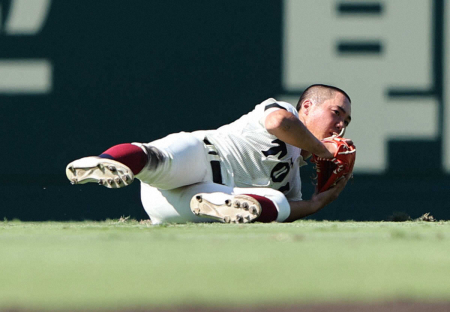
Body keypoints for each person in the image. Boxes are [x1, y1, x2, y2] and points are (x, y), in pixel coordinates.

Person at [66, 84, 352, 224]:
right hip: (202, 155)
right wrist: (320, 149)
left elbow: (286, 210)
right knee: (158, 158)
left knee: (275, 200)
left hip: (175, 204)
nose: (340, 125)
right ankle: (107, 162)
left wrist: (315, 204)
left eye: (346, 122)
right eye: (336, 113)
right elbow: (278, 124)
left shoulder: (293, 180)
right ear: (307, 107)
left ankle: (218, 203)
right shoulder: (285, 110)